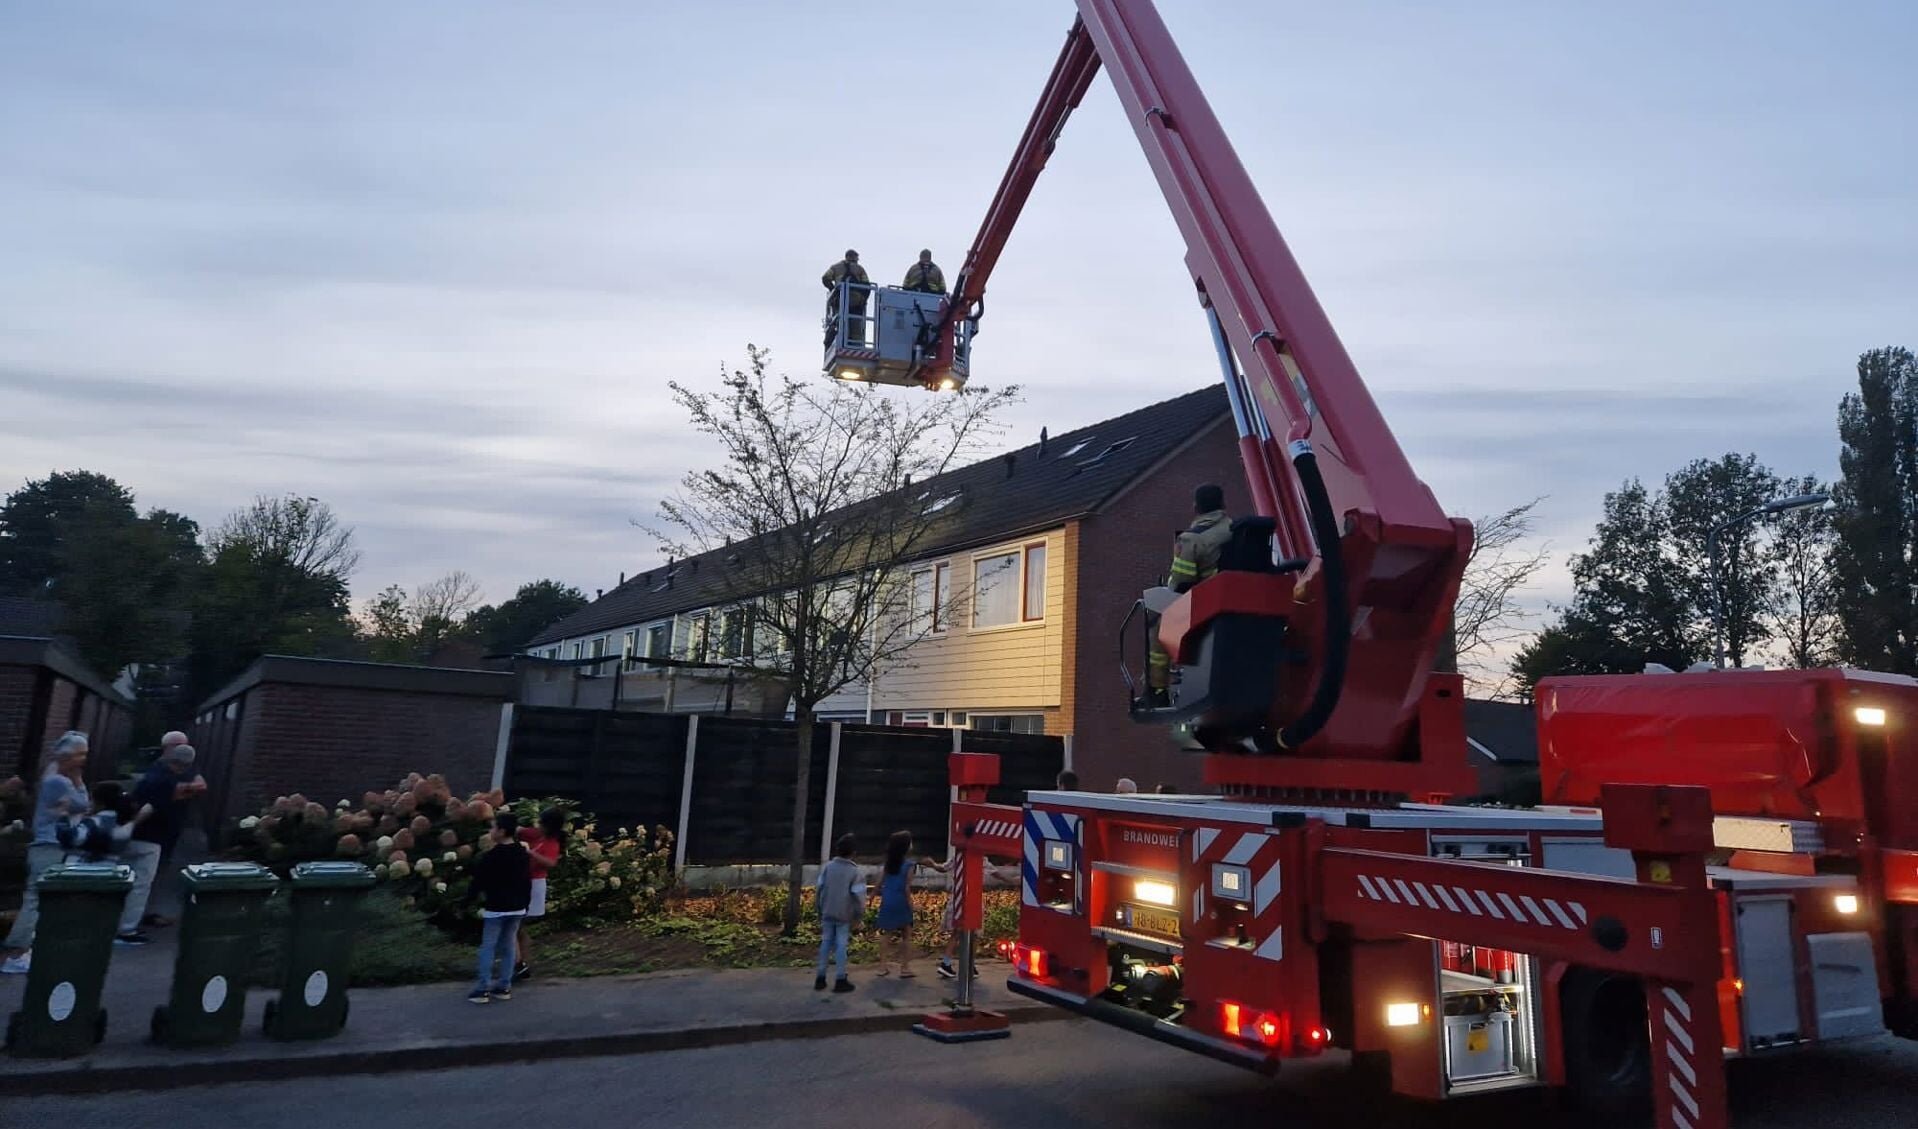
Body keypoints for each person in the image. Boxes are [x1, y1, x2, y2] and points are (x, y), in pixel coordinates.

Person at [2, 731, 92, 975]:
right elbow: (82, 804)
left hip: (51, 844)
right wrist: (79, 782)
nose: (83, 759)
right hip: (50, 845)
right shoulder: (58, 781)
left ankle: (23, 945)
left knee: (39, 896)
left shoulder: (56, 778)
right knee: (37, 896)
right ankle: (19, 949)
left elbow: (80, 804)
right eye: (80, 754)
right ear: (68, 756)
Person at [1146, 483, 1235, 706]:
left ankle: (1157, 692)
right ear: (1223, 504)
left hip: (1209, 608)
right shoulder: (1236, 529)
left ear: (1195, 508)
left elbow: (1180, 585)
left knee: (1158, 632)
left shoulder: (1191, 539)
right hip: (1241, 603)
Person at [122, 741, 208, 940]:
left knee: (141, 880)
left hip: (154, 836)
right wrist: (128, 830)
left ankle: (134, 918)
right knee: (141, 882)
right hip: (149, 838)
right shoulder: (162, 780)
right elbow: (148, 808)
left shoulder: (163, 776)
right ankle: (127, 927)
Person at [466, 811, 533, 1004]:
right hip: (518, 907)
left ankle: (482, 988)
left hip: (496, 907)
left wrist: (467, 901)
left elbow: (478, 882)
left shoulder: (491, 856)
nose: (490, 831)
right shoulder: (522, 853)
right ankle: (504, 986)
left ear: (502, 831)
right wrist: (525, 904)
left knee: (488, 946)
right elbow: (526, 881)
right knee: (509, 945)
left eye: (493, 827)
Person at [513, 807, 566, 981]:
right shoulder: (537, 835)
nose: (538, 826)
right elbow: (519, 830)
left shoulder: (552, 843)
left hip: (535, 884)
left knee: (517, 925)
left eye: (541, 823)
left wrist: (530, 853)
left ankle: (521, 962)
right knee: (518, 927)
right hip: (524, 882)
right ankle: (521, 963)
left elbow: (551, 863)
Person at [814, 833, 864, 993]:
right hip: (844, 914)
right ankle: (840, 978)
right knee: (841, 944)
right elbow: (858, 897)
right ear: (854, 852)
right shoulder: (855, 872)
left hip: (827, 910)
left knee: (826, 942)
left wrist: (819, 909)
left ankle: (820, 977)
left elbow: (819, 889)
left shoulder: (828, 867)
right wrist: (858, 916)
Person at [874, 831, 919, 978]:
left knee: (886, 934)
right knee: (906, 934)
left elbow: (879, 883)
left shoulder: (888, 864)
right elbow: (907, 888)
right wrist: (911, 904)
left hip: (888, 900)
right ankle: (905, 968)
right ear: (905, 847)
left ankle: (882, 966)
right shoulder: (910, 865)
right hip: (901, 901)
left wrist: (872, 896)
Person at [821, 249, 870, 345]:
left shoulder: (836, 267)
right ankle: (855, 345)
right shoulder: (860, 269)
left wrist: (833, 290)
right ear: (853, 257)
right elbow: (867, 286)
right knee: (855, 328)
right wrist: (863, 300)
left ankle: (837, 341)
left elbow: (825, 278)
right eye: (856, 258)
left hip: (840, 302)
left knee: (839, 324)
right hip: (856, 304)